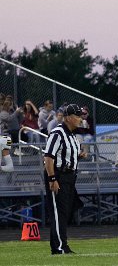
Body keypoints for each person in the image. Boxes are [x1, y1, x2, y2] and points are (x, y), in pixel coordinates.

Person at [42, 103, 88, 255]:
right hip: (58, 175)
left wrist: (78, 156)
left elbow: (64, 157)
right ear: (68, 118)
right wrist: (52, 178)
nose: (80, 119)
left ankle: (61, 245)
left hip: (69, 176)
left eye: (81, 116)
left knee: (66, 212)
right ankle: (60, 247)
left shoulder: (72, 136)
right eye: (77, 116)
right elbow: (48, 157)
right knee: (58, 212)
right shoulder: (57, 133)